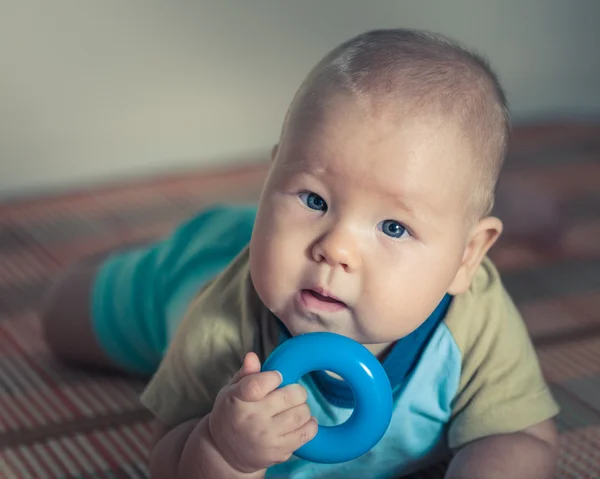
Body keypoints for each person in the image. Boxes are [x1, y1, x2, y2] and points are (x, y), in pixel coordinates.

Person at [42, 29, 560, 478]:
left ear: (468, 257)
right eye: (313, 199)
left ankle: (463, 202)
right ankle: (150, 255)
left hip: (284, 244)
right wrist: (223, 450)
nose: (336, 247)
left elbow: (522, 437)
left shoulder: (476, 320)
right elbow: (167, 460)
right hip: (194, 267)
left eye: (394, 226)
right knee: (58, 317)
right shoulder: (223, 327)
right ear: (271, 178)